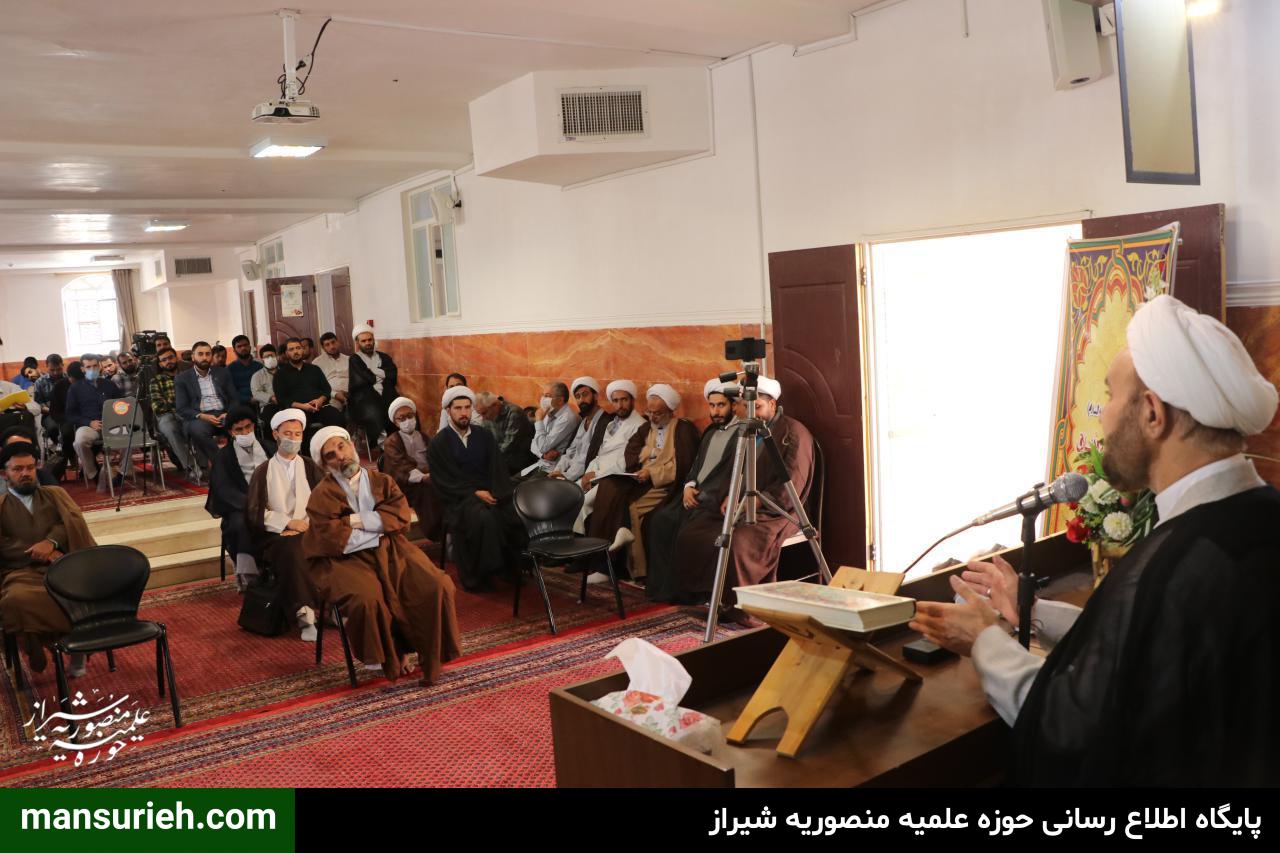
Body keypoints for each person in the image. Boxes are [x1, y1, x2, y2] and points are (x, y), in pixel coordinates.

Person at [910, 295, 1280, 786]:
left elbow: (1074, 729)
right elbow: (1146, 647)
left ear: (1153, 413)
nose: (1101, 418)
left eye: (1109, 396)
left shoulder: (1180, 563)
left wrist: (984, 641)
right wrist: (1032, 610)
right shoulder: (1258, 513)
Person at [303, 426, 462, 684]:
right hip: (345, 559)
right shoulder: (321, 495)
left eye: (341, 446)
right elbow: (334, 538)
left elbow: (400, 517)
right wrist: (377, 526)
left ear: (351, 445)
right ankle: (393, 656)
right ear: (325, 465)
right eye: (331, 455)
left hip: (393, 547)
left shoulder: (382, 481)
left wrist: (353, 521)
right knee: (369, 598)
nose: (340, 456)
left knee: (436, 584)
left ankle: (430, 653)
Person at [644, 378, 746, 603]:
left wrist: (703, 494)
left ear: (733, 405)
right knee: (659, 520)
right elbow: (696, 465)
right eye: (712, 405)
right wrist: (689, 486)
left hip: (712, 500)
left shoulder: (742, 434)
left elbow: (731, 474)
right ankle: (661, 588)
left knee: (684, 529)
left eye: (721, 405)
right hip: (694, 493)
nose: (715, 411)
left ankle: (684, 592)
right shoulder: (710, 431)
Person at [0, 442, 96, 676]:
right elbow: (3, 545)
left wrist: (51, 542)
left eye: (30, 468)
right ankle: (49, 642)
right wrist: (37, 551)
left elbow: (72, 522)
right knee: (15, 599)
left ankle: (76, 648)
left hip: (62, 566)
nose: (25, 473)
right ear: (4, 474)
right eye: (18, 469)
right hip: (21, 572)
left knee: (80, 590)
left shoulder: (55, 494)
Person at [585, 384, 699, 581]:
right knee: (608, 489)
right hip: (641, 479)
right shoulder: (646, 428)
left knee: (630, 506)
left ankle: (636, 569)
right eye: (650, 412)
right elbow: (631, 451)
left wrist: (652, 471)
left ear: (670, 411)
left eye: (657, 413)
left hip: (665, 485)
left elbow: (683, 465)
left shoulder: (682, 429)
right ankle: (599, 562)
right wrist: (641, 464)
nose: (652, 417)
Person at [426, 386, 525, 592]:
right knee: (483, 518)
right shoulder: (439, 443)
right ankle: (480, 575)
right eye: (458, 408)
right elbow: (443, 480)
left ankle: (509, 568)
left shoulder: (483, 435)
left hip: (490, 491)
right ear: (448, 411)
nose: (463, 413)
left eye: (467, 408)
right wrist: (474, 492)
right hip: (459, 498)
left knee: (512, 513)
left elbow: (497, 468)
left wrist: (496, 493)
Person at [245, 409, 324, 641]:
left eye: (297, 434)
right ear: (275, 434)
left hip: (312, 529)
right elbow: (255, 512)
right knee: (293, 550)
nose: (293, 438)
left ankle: (335, 607)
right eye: (287, 433)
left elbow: (325, 502)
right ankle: (305, 615)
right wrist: (287, 523)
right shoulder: (263, 471)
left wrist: (307, 525)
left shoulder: (310, 466)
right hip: (277, 535)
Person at [205, 406, 271, 587]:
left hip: (274, 500)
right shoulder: (223, 457)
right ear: (231, 432)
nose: (245, 432)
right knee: (239, 524)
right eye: (239, 429)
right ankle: (249, 576)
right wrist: (253, 505)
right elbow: (223, 489)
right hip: (241, 506)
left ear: (254, 426)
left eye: (248, 427)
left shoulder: (269, 447)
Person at [382, 396, 443, 541]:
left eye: (410, 416)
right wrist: (424, 477)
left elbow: (435, 458)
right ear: (395, 422)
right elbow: (401, 467)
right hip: (405, 484)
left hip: (428, 477)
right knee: (427, 490)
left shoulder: (424, 437)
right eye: (402, 418)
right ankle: (435, 532)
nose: (407, 421)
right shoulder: (391, 442)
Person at [175, 341, 238, 470]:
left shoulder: (222, 373)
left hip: (224, 414)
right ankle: (222, 463)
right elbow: (182, 408)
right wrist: (202, 416)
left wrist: (228, 413)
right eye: (200, 354)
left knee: (243, 423)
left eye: (208, 354)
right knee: (198, 431)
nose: (204, 357)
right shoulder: (182, 378)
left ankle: (243, 461)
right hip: (201, 417)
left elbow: (234, 398)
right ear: (193, 356)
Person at [272, 337, 345, 444]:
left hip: (320, 407)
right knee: (300, 428)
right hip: (297, 410)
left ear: (302, 350)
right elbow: (281, 398)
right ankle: (308, 453)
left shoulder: (314, 369)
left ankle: (336, 448)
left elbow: (326, 389)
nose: (296, 351)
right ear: (287, 353)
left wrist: (320, 400)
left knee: (338, 418)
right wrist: (303, 406)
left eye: (298, 348)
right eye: (291, 349)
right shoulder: (280, 374)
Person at [65, 353, 123, 483]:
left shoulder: (109, 385)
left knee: (129, 436)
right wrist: (89, 422)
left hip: (112, 424)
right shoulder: (75, 388)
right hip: (89, 425)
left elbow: (121, 405)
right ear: (82, 369)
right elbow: (70, 414)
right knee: (80, 441)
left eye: (95, 366)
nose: (92, 369)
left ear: (99, 366)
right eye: (88, 367)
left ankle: (123, 472)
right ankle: (93, 473)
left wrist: (116, 419)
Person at [547, 377, 613, 484]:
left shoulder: (606, 423)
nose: (581, 400)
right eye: (577, 397)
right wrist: (557, 471)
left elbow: (589, 460)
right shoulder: (583, 422)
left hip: (586, 479)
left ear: (595, 396)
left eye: (585, 394)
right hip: (567, 476)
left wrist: (566, 476)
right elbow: (569, 453)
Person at [347, 324, 399, 449]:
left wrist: (371, 371)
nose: (368, 343)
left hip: (386, 393)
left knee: (401, 407)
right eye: (363, 341)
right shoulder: (354, 359)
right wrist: (381, 374)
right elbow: (362, 380)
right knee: (375, 411)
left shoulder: (384, 357)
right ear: (358, 343)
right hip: (363, 398)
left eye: (370, 340)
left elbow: (392, 375)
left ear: (373, 339)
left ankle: (400, 443)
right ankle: (384, 446)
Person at [522, 381, 579, 476]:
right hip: (540, 463)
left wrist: (539, 420)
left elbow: (542, 446)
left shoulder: (567, 418)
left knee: (519, 485)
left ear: (560, 400)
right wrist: (543, 455)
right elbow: (533, 443)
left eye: (547, 396)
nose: (543, 399)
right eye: (543, 395)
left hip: (552, 470)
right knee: (509, 482)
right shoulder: (549, 412)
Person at [474, 391, 535, 475]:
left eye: (484, 413)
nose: (483, 418)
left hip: (517, 462)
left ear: (495, 405)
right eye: (480, 414)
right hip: (499, 459)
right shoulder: (488, 416)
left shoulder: (514, 413)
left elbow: (509, 445)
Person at [311, 332, 350, 416]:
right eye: (327, 345)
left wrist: (349, 392)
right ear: (323, 348)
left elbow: (356, 379)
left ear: (338, 342)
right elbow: (317, 386)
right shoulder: (316, 363)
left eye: (333, 342)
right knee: (334, 414)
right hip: (331, 396)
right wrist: (335, 394)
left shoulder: (349, 359)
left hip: (351, 394)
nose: (332, 346)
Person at [226, 335, 263, 405]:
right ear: (234, 350)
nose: (243, 348)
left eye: (245, 345)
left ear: (250, 347)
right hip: (240, 404)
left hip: (262, 401)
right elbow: (230, 392)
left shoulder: (259, 366)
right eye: (239, 346)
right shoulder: (229, 369)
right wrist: (249, 399)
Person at [250, 343, 281, 426]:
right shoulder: (257, 376)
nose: (270, 358)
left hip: (286, 403)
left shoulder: (284, 372)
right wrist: (271, 398)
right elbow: (256, 393)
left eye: (272, 355)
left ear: (276, 356)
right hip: (269, 406)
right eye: (267, 357)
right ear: (262, 359)